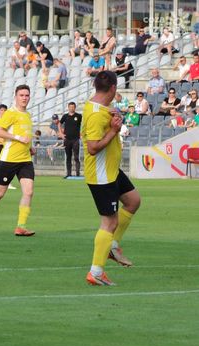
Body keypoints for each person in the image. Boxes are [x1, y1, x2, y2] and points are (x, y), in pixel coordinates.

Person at [82, 70, 141, 286]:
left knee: (133, 201)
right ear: (114, 88)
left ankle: (112, 246)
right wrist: (114, 131)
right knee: (109, 222)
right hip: (101, 175)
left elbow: (101, 115)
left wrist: (113, 116)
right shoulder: (96, 115)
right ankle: (96, 272)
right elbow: (92, 148)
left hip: (112, 169)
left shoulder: (98, 107)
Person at [0, 85, 36, 237]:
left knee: (29, 192)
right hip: (9, 160)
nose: (24, 98)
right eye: (21, 95)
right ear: (15, 97)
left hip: (25, 160)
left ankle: (21, 226)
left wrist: (30, 147)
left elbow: (25, 134)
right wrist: (18, 138)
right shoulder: (11, 113)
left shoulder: (28, 114)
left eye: (26, 95)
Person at [60, 102, 82, 178]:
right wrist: (61, 133)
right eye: (70, 107)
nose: (71, 108)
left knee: (76, 157)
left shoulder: (79, 116)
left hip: (75, 139)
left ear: (75, 108)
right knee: (68, 157)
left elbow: (83, 124)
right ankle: (68, 173)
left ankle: (78, 174)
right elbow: (59, 123)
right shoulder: (65, 116)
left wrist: (82, 133)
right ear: (68, 107)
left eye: (73, 107)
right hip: (67, 139)